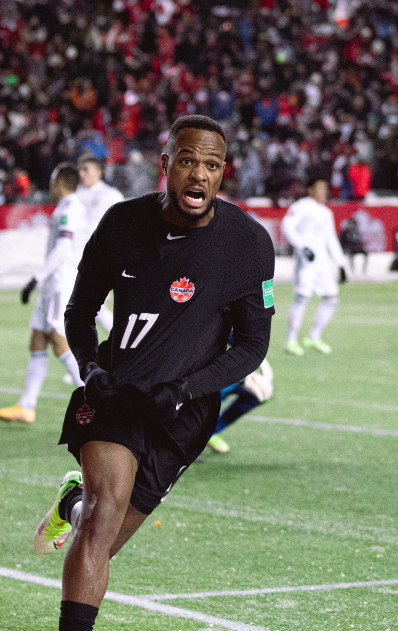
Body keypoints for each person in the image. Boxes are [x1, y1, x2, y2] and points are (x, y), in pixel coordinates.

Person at [33, 115, 275, 631]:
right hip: (117, 394)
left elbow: (254, 345)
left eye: (211, 165)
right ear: (166, 164)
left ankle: (72, 502)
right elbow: (78, 312)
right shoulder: (121, 224)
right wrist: (91, 366)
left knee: (101, 535)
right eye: (188, 161)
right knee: (101, 523)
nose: (199, 175)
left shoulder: (249, 244)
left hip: (184, 415)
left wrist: (189, 388)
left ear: (222, 173)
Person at [0, 165, 89, 424]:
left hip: (60, 282)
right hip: (52, 285)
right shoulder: (66, 208)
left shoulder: (71, 208)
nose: (50, 185)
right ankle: (26, 405)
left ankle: (98, 399)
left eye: (52, 180)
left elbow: (62, 249)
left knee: (59, 341)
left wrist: (37, 278)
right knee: (38, 339)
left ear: (60, 182)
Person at [281, 176, 345, 355]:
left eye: (326, 189)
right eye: (320, 188)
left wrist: (340, 263)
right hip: (306, 261)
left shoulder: (326, 212)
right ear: (310, 190)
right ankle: (291, 340)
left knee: (332, 298)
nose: (324, 192)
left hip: (322, 263)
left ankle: (314, 336)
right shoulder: (301, 206)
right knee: (302, 298)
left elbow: (331, 238)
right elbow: (287, 226)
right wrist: (302, 247)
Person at [77, 154, 125, 333]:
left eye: (86, 170)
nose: (82, 174)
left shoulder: (110, 195)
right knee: (91, 305)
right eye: (80, 170)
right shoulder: (77, 194)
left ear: (99, 172)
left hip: (104, 257)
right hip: (82, 258)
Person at [205, 359, 274, 454]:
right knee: (207, 403)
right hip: (219, 372)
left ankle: (213, 431)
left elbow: (256, 352)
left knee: (264, 392)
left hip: (239, 373)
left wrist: (265, 377)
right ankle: (192, 439)